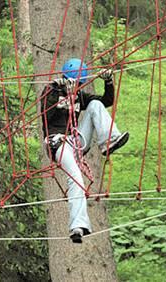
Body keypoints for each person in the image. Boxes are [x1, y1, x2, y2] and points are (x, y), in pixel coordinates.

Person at [41, 58, 129, 243]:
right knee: (76, 178)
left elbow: (106, 101)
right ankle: (78, 227)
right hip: (57, 142)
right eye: (76, 83)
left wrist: (108, 82)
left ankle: (109, 141)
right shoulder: (51, 90)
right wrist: (58, 98)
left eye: (80, 84)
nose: (78, 87)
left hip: (76, 139)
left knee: (95, 105)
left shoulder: (80, 96)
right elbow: (45, 115)